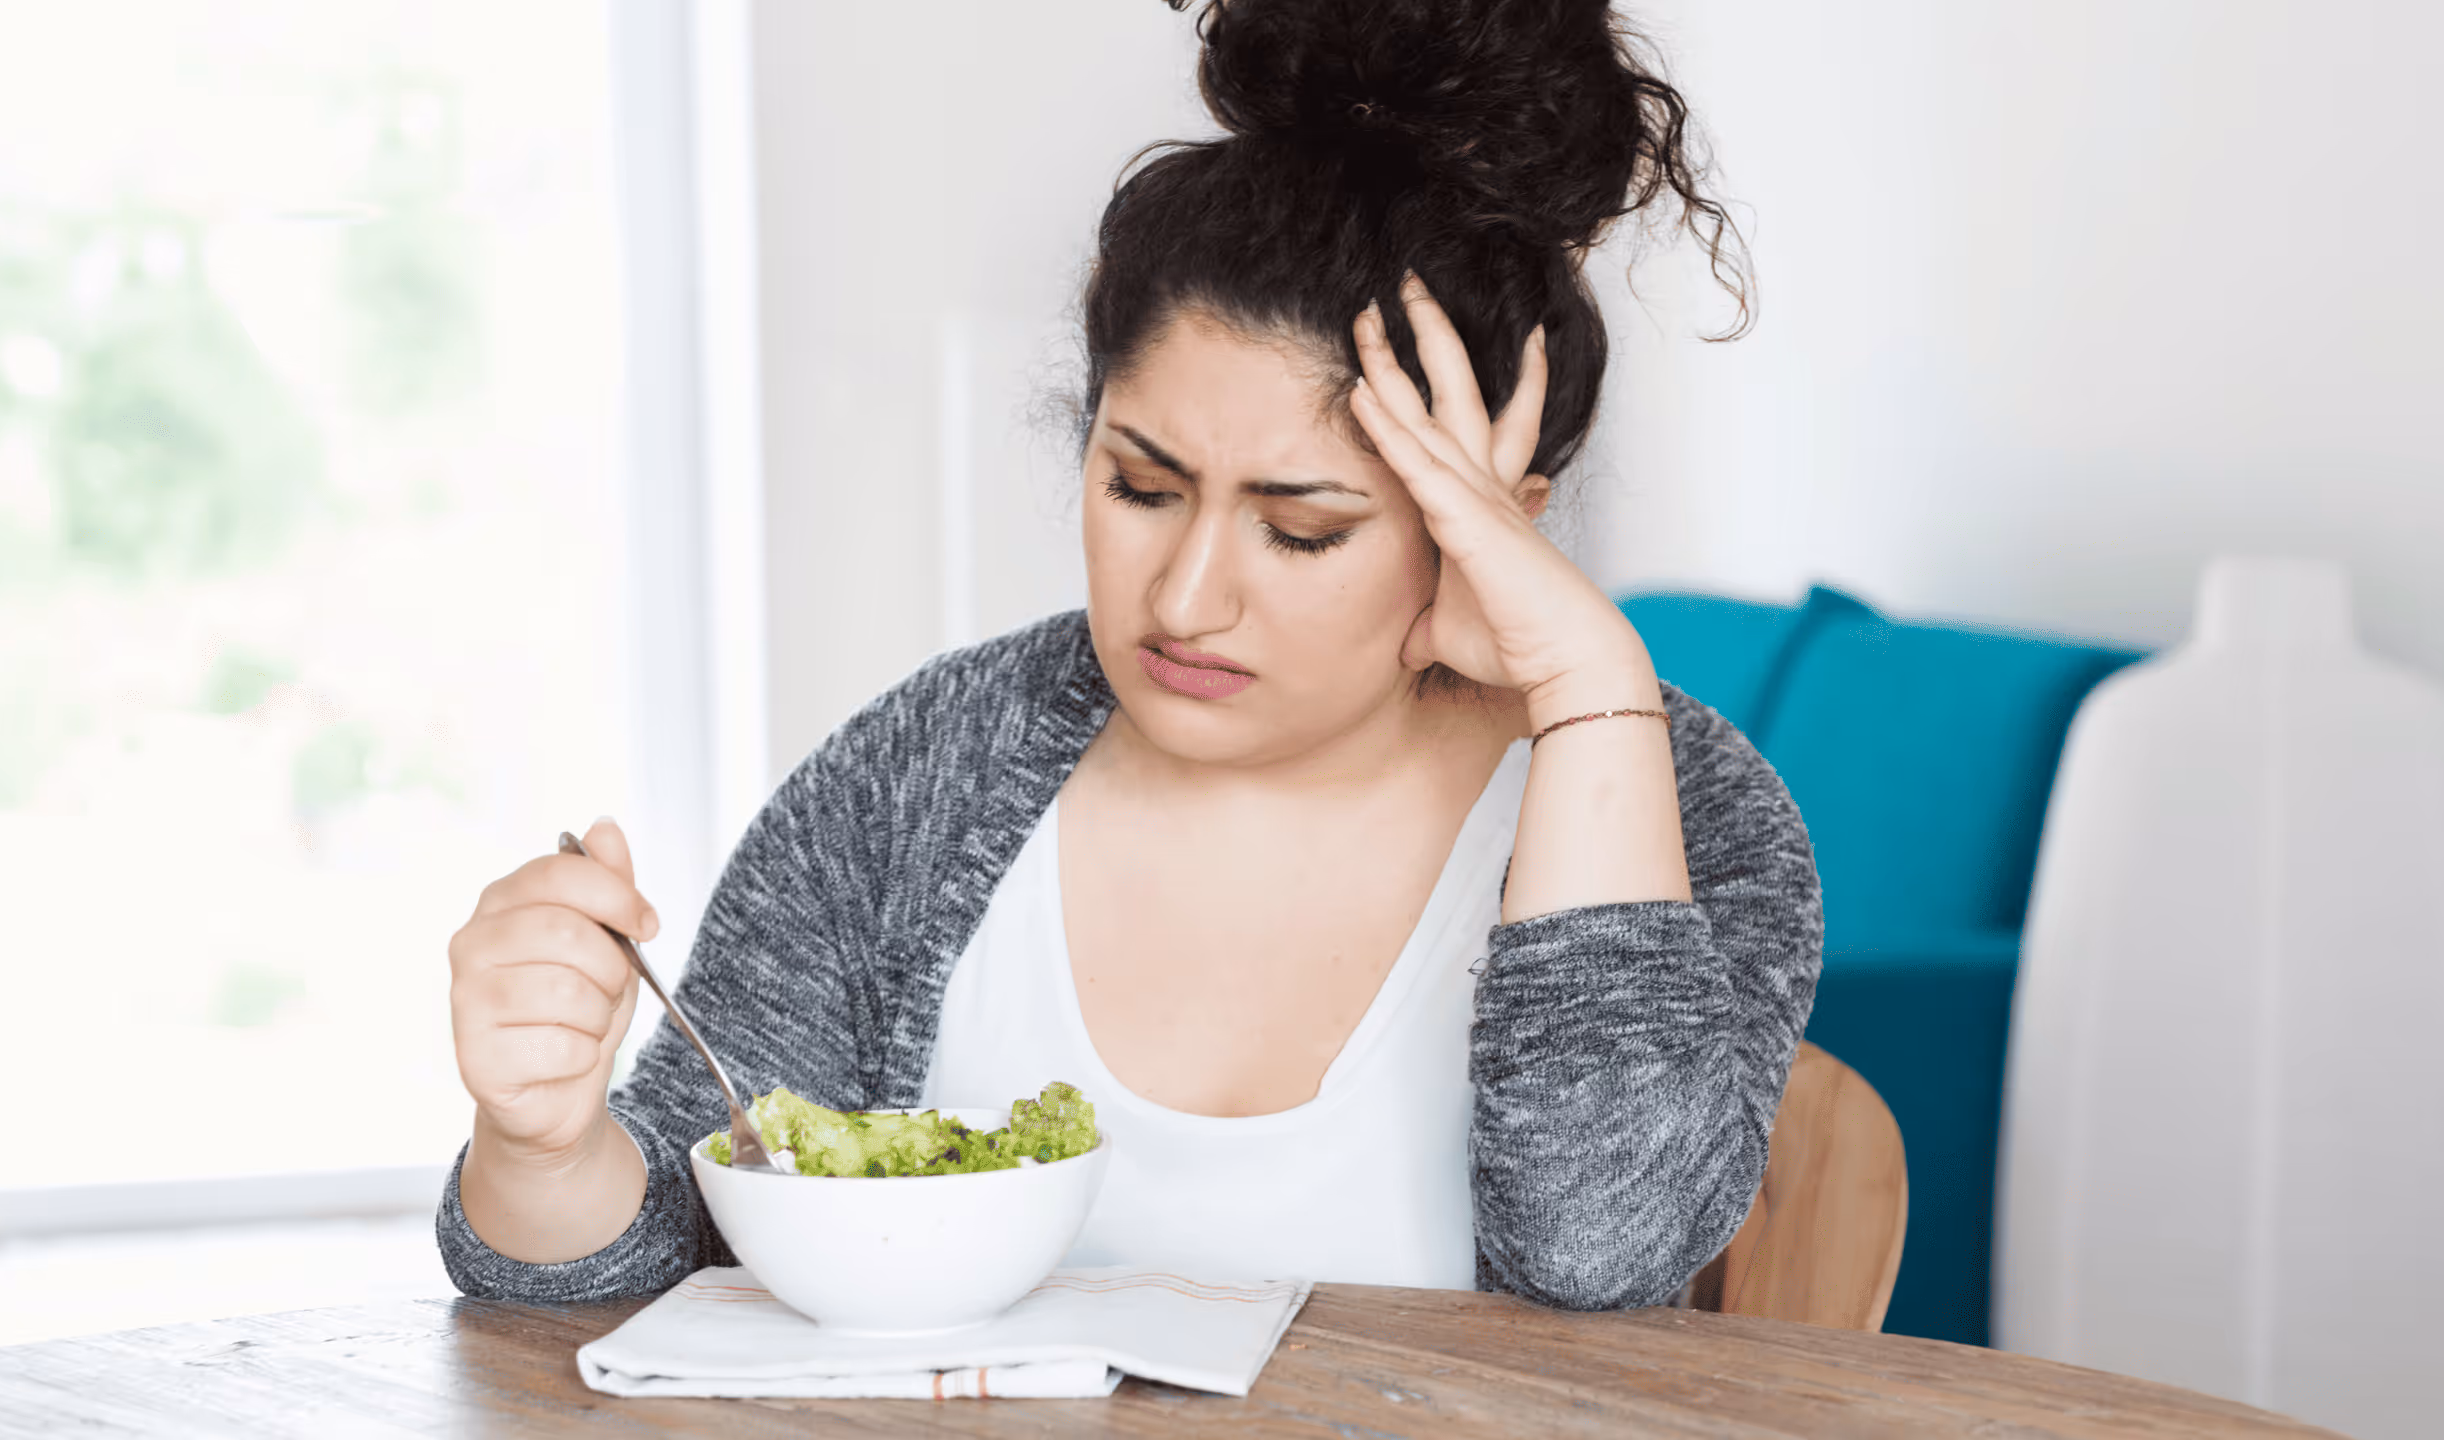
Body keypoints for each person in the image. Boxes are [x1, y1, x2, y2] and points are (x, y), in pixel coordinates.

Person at [438, 0, 1818, 1310]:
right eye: (1143, 489)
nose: (1189, 598)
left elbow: (1604, 1250)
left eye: (1302, 529)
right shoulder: (930, 773)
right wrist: (542, 1150)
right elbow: (647, 1267)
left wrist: (1587, 692)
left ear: (1491, 530)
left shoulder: (1684, 813)